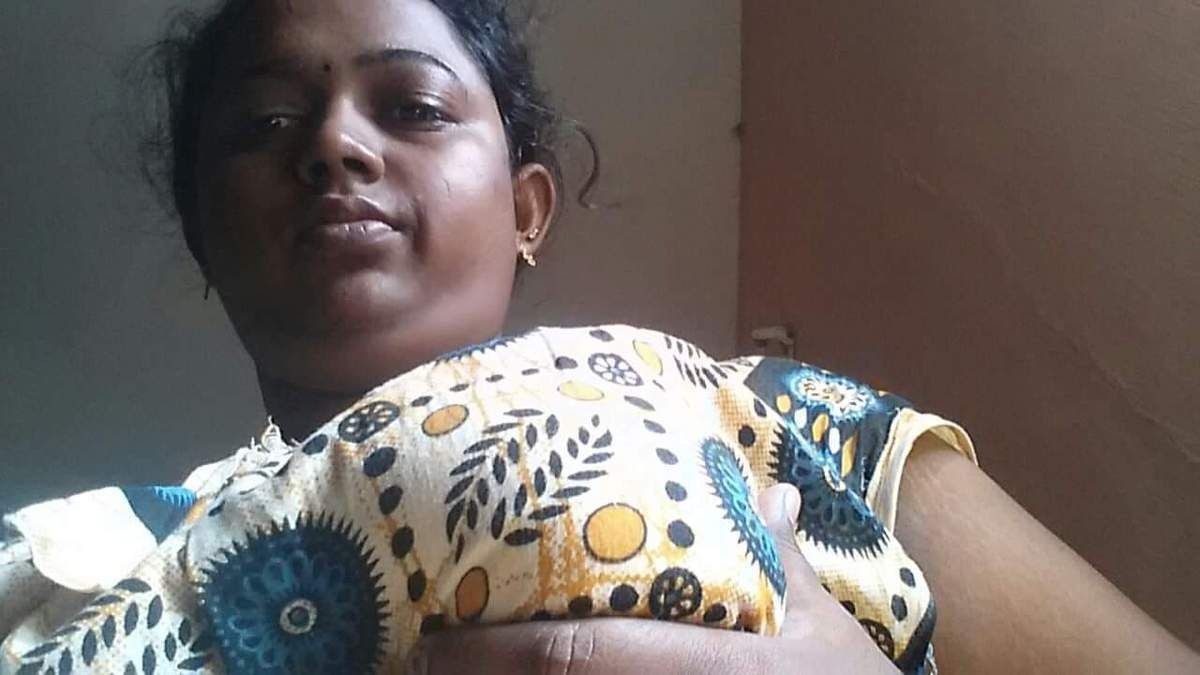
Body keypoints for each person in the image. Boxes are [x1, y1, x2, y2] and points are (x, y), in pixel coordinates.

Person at [1, 0, 1196, 673]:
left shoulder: (793, 431)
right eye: (265, 124)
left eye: (411, 107)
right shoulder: (74, 569)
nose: (335, 146)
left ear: (527, 211)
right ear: (206, 231)